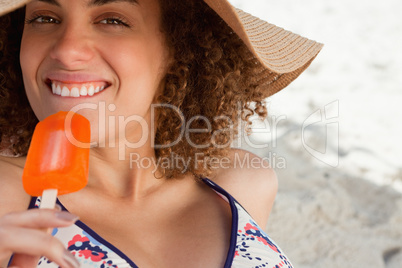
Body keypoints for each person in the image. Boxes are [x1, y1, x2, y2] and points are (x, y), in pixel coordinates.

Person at [0, 0, 322, 267]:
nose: (67, 50)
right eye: (44, 17)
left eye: (112, 20)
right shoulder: (6, 198)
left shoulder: (241, 185)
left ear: (180, 45)